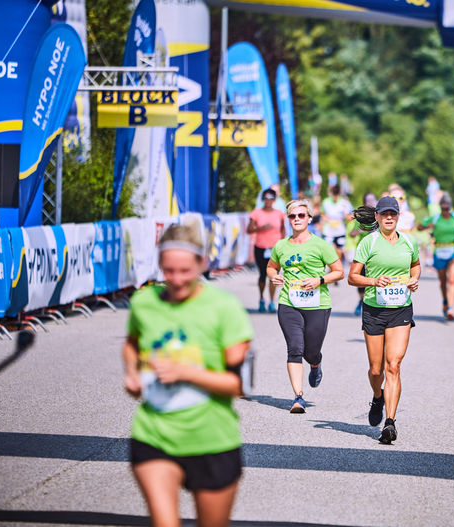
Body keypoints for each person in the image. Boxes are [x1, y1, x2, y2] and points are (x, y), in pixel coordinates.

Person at [122, 222, 253, 527]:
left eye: (185, 271)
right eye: (168, 271)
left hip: (212, 439)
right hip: (153, 434)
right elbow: (131, 345)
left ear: (202, 263)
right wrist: (131, 373)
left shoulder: (225, 309)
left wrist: (185, 372)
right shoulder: (145, 303)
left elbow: (238, 385)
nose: (177, 280)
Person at [348, 196, 420, 444]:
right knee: (376, 368)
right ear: (377, 217)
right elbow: (352, 277)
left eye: (393, 213)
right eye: (384, 214)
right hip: (374, 310)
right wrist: (373, 281)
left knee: (394, 365)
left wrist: (414, 279)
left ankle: (389, 422)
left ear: (398, 216)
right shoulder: (368, 243)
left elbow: (416, 265)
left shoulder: (409, 241)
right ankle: (377, 396)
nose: (389, 217)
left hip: (401, 309)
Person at [267, 199, 345, 413]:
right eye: (293, 216)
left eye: (301, 215)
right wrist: (274, 276)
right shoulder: (281, 246)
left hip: (317, 304)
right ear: (288, 219)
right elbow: (271, 267)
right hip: (288, 302)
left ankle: (315, 363)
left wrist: (319, 280)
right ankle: (298, 397)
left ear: (309, 218)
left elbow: (339, 272)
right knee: (294, 348)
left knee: (310, 351)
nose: (297, 219)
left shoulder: (321, 245)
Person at [418, 193, 454, 320]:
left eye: (447, 208)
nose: (445, 211)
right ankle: (445, 299)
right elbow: (419, 227)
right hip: (439, 251)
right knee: (443, 281)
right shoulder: (435, 218)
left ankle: (450, 307)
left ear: (451, 207)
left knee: (452, 280)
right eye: (443, 208)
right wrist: (428, 227)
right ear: (440, 208)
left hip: (453, 250)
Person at [248, 188, 286, 313]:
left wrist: (284, 243)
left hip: (275, 248)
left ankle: (271, 301)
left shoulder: (279, 214)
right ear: (263, 199)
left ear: (274, 200)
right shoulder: (256, 213)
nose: (268, 201)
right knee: (262, 275)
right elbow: (249, 230)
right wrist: (260, 228)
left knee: (273, 275)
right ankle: (261, 299)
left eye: (271, 199)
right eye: (266, 198)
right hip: (260, 247)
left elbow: (283, 230)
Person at [349, 192, 378, 316]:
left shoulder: (380, 216)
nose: (371, 202)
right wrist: (361, 229)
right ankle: (361, 300)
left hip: (377, 251)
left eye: (373, 200)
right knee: (360, 276)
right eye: (368, 200)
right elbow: (352, 233)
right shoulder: (362, 217)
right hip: (363, 252)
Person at [321, 185, 353, 265]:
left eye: (337, 194)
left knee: (339, 250)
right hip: (328, 230)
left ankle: (337, 268)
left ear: (339, 193)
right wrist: (326, 219)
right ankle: (333, 268)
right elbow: (322, 213)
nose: (335, 196)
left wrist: (346, 215)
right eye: (333, 194)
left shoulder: (344, 202)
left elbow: (351, 216)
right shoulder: (326, 202)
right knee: (330, 250)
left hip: (340, 230)